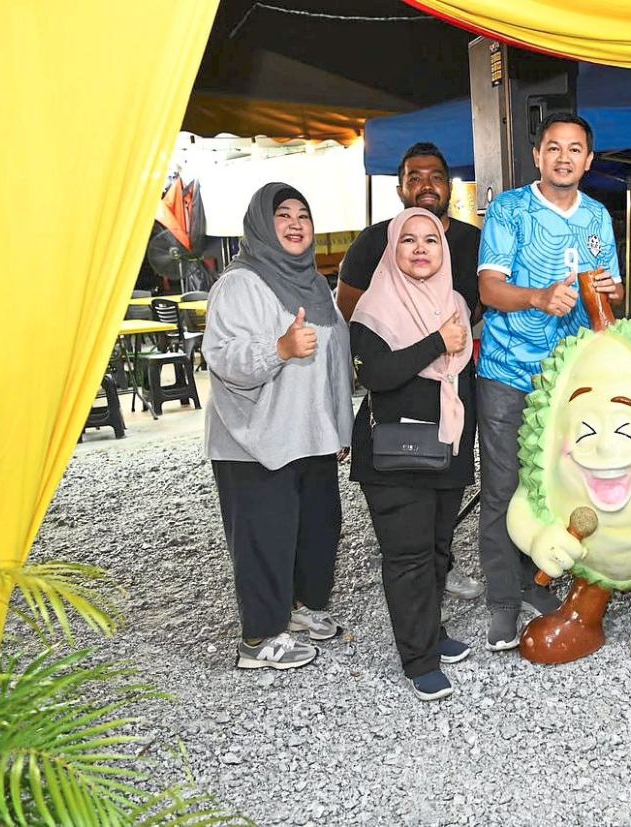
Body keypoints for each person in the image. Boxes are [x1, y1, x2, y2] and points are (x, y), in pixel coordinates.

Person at [476, 112, 624, 651]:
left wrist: (607, 289)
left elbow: (612, 296)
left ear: (589, 159)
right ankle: (501, 599)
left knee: (555, 486)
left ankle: (535, 579)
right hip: (508, 372)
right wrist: (539, 296)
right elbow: (491, 290)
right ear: (537, 156)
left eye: (575, 149)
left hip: (569, 380)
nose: (564, 157)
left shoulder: (598, 217)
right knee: (502, 486)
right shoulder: (510, 210)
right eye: (554, 148)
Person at [204, 182, 354, 671]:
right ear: (261, 225)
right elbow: (224, 357)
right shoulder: (241, 282)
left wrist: (341, 428)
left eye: (303, 216)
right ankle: (260, 639)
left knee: (314, 530)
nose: (295, 224)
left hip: (311, 434)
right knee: (265, 538)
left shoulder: (314, 286)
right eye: (282, 215)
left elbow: (335, 364)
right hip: (256, 439)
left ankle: (298, 611)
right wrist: (280, 349)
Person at [335, 141, 484, 601]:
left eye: (436, 176)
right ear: (400, 187)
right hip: (401, 390)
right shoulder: (374, 240)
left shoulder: (470, 241)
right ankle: (418, 609)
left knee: (444, 494)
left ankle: (440, 571)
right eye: (414, 177)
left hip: (455, 382)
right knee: (409, 509)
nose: (426, 185)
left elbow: (480, 304)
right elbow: (351, 308)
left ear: (449, 185)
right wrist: (405, 335)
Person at [350, 207, 477, 701]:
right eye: (408, 240)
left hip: (446, 447)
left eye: (430, 240)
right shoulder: (375, 308)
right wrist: (436, 342)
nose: (421, 248)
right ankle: (418, 659)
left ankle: (431, 634)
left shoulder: (457, 304)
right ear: (392, 249)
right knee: (407, 556)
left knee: (437, 549)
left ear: (443, 252)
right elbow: (375, 375)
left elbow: (462, 376)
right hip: (395, 454)